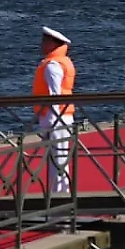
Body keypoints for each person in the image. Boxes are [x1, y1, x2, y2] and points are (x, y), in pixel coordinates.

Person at [32, 26, 76, 194]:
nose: (41, 44)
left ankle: (57, 195)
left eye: (44, 41)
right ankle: (61, 192)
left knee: (56, 159)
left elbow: (54, 95)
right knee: (60, 158)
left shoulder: (53, 65)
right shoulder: (64, 62)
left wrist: (52, 121)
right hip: (63, 115)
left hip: (55, 116)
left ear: (52, 44)